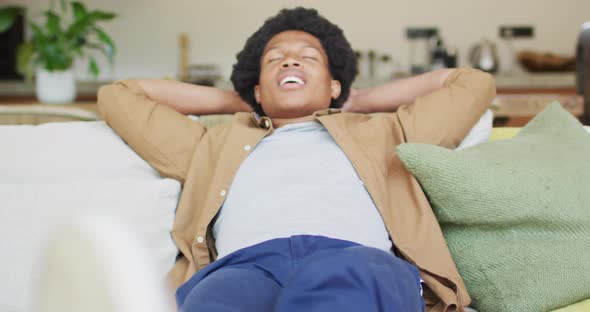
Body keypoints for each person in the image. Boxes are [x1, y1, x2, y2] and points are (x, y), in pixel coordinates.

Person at [97, 7, 495, 312]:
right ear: (257, 87)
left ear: (334, 82)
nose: (289, 62)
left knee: (343, 280)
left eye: (308, 58)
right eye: (274, 60)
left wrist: (362, 98)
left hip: (354, 258)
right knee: (215, 296)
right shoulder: (211, 143)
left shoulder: (384, 131)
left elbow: (473, 83)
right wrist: (238, 99)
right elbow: (119, 95)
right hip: (245, 267)